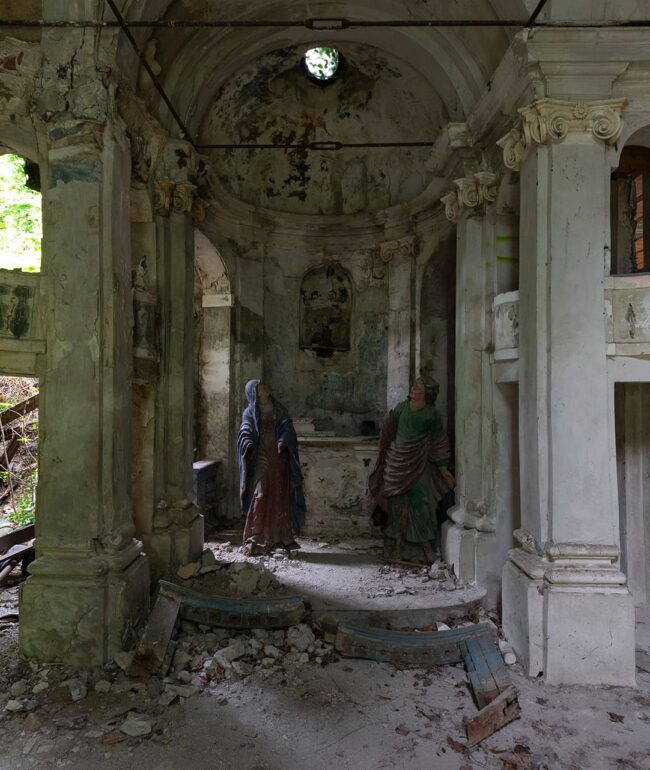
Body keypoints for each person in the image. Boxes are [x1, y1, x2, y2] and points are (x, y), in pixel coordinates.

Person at [369, 376, 454, 563]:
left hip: (419, 462)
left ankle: (424, 547)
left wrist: (442, 467)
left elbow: (439, 441)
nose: (413, 389)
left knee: (422, 502)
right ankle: (393, 545)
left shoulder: (431, 414)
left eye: (418, 388)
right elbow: (389, 430)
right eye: (414, 386)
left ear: (426, 394)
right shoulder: (401, 408)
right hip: (397, 462)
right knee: (396, 505)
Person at [237, 380, 306, 555]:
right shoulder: (250, 412)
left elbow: (287, 427)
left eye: (265, 385)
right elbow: (245, 430)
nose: (265, 387)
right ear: (254, 392)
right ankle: (255, 537)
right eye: (261, 386)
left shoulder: (279, 409)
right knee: (260, 494)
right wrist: (249, 443)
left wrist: (283, 440)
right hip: (261, 456)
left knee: (279, 494)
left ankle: (279, 537)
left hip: (278, 457)